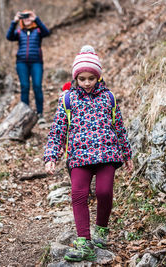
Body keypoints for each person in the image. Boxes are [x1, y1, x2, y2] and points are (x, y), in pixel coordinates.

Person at [43, 45, 134, 262]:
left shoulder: (108, 98)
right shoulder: (68, 99)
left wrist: (126, 153)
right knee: (79, 195)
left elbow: (119, 126)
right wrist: (51, 156)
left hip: (107, 154)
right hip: (79, 157)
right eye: (81, 78)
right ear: (75, 78)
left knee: (104, 192)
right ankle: (84, 241)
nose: (86, 82)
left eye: (91, 78)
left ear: (98, 77)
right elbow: (58, 130)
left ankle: (101, 229)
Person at [6, 10, 50, 124]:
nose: (26, 19)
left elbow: (47, 32)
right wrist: (14, 22)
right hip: (22, 63)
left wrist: (36, 19)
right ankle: (23, 115)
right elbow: (9, 37)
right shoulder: (19, 32)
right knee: (24, 87)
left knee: (37, 86)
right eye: (24, 17)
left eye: (28, 16)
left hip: (36, 62)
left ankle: (40, 114)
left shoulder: (38, 31)